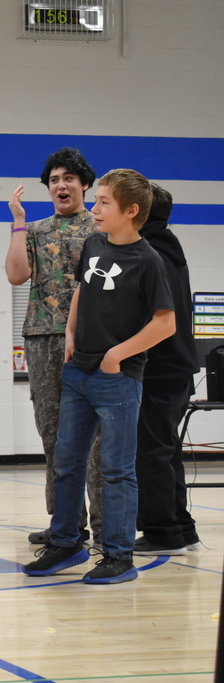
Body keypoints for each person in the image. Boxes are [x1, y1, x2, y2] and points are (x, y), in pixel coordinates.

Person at [23, 169, 175, 584]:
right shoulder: (93, 244)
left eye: (104, 202)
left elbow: (165, 324)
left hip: (119, 380)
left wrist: (117, 355)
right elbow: (81, 293)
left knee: (116, 470)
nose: (95, 209)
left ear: (131, 211)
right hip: (78, 373)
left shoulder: (148, 261)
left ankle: (119, 556)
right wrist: (71, 333)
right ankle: (66, 541)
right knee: (67, 462)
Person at [5, 147, 103, 546]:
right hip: (43, 338)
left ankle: (104, 523)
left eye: (68, 179)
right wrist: (17, 223)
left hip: (92, 339)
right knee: (52, 432)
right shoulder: (35, 231)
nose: (60, 185)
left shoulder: (101, 229)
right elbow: (16, 275)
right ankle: (65, 523)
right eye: (54, 180)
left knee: (97, 438)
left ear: (84, 185)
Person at [134, 184, 202, 555]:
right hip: (178, 367)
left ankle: (163, 532)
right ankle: (181, 527)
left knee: (151, 452)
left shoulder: (150, 254)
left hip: (158, 368)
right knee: (166, 450)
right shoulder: (170, 249)